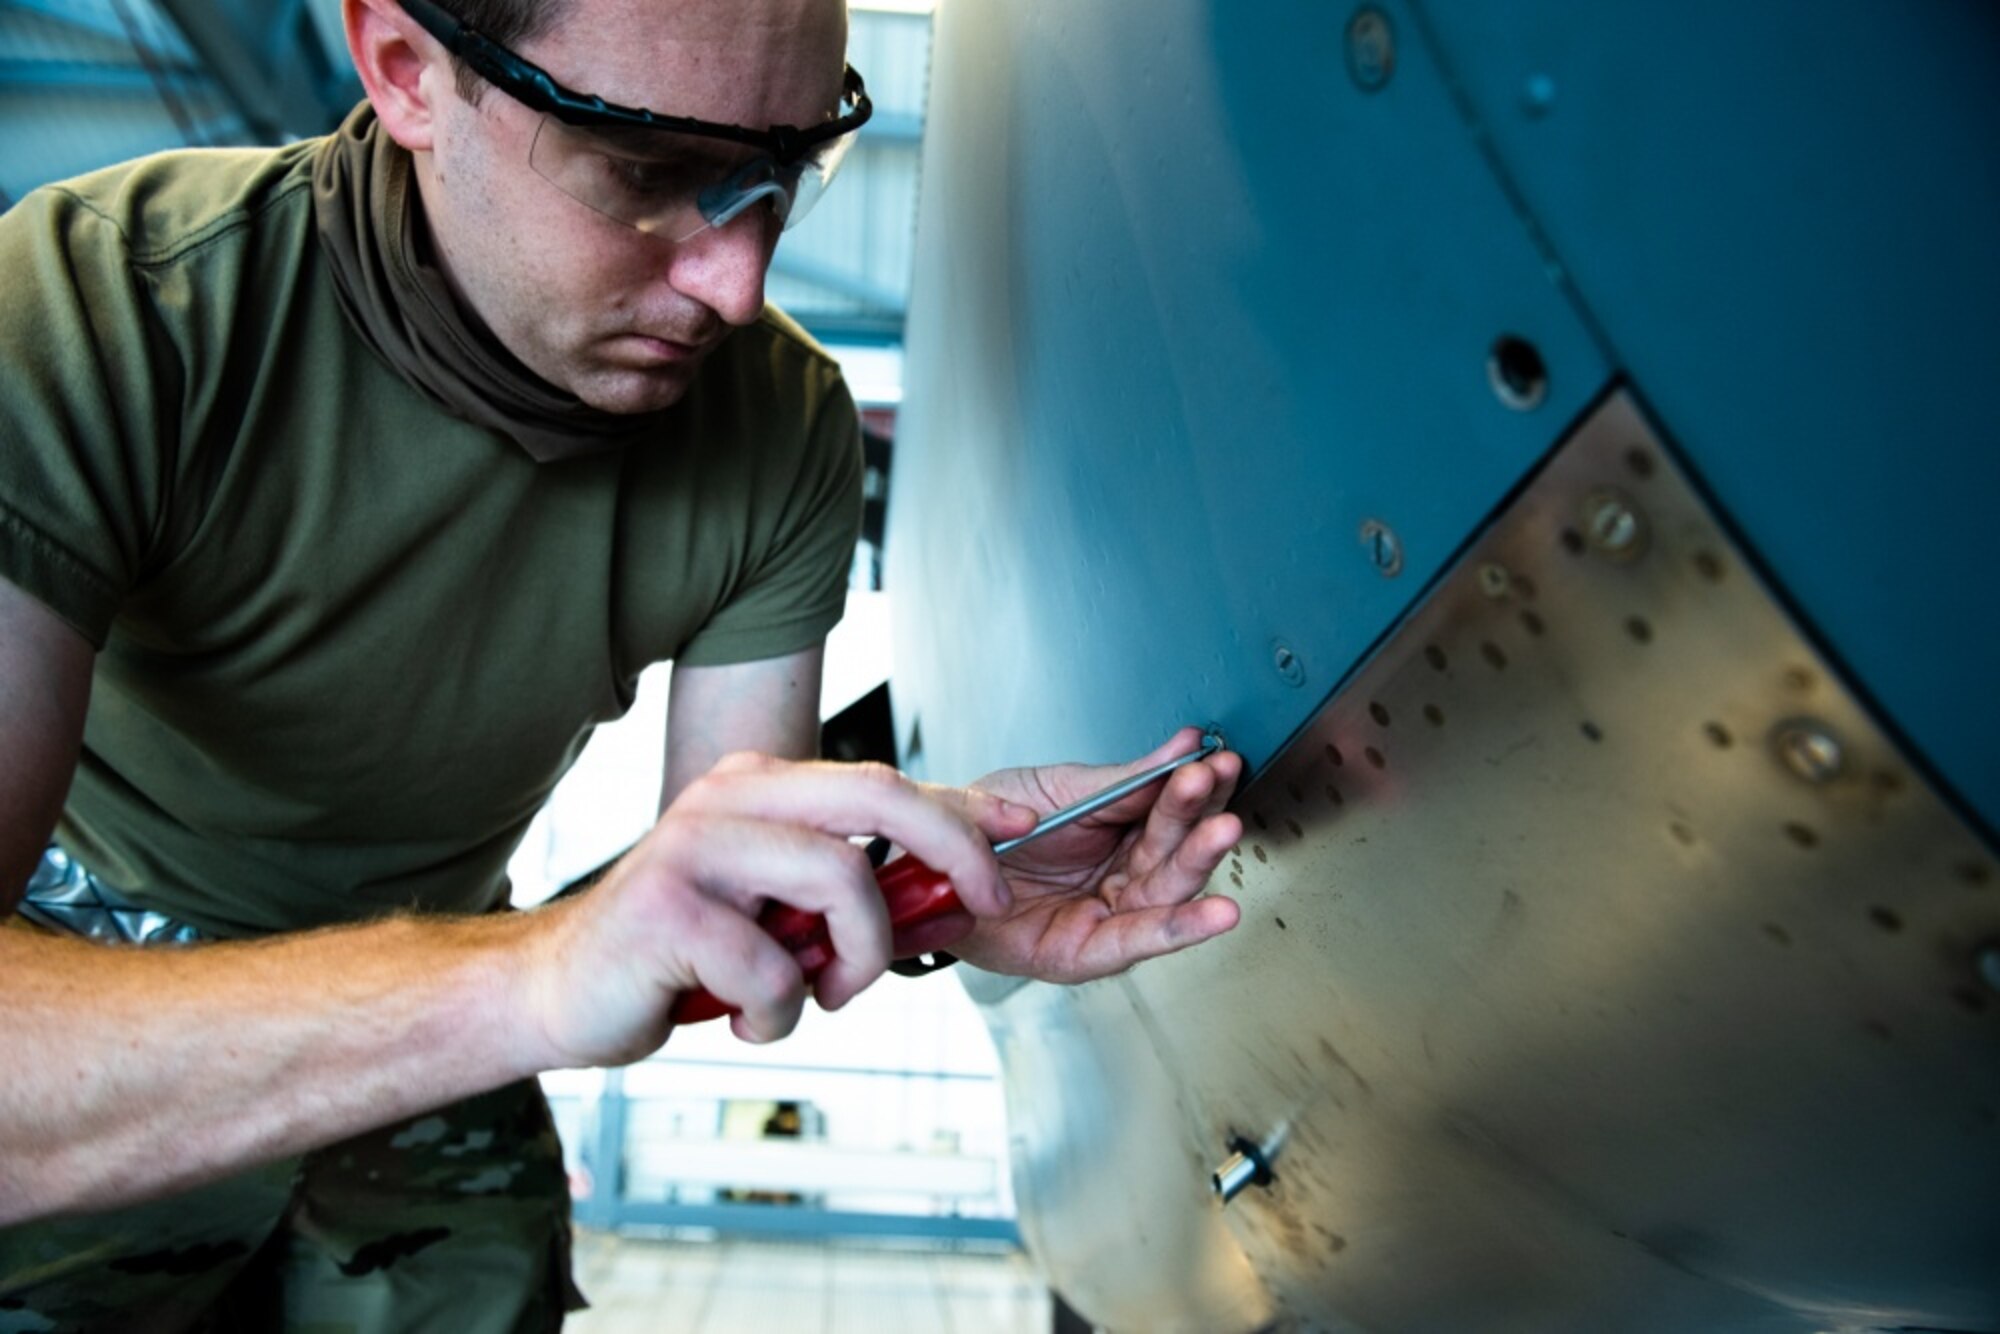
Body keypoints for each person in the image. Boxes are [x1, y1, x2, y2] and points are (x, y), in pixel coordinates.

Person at [0, 0, 1244, 1326]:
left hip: (447, 1007)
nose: (739, 284)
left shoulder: (778, 427)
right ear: (408, 72)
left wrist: (948, 880)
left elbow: (719, 912)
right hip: (89, 993)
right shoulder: (106, 311)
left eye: (783, 177)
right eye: (650, 175)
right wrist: (540, 975)